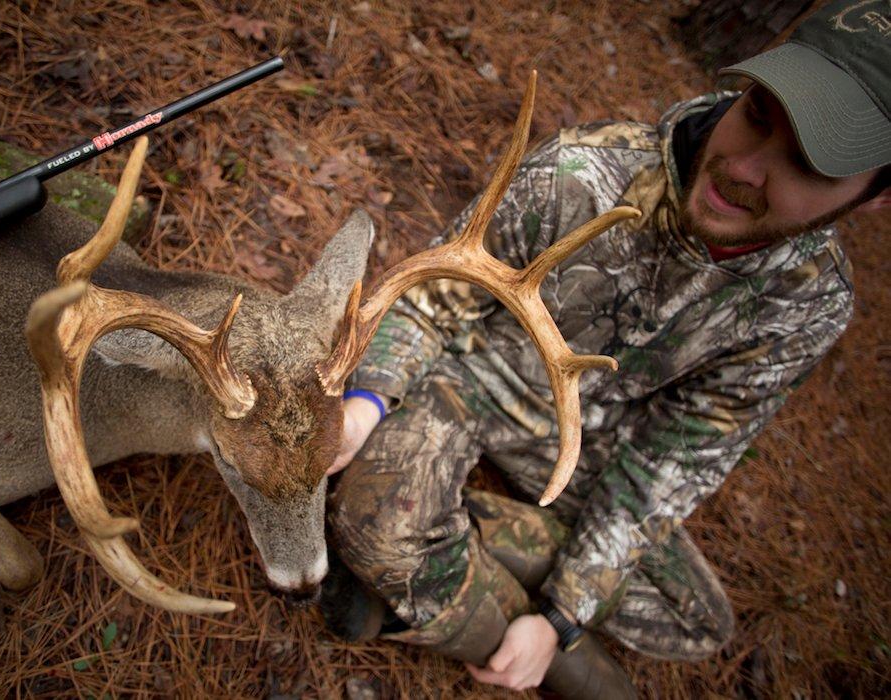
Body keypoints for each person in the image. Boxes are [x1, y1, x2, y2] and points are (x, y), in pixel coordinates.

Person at [322, 1, 890, 695]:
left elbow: (678, 459)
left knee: (694, 622)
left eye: (806, 163)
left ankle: (433, 551)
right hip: (473, 381)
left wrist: (562, 615)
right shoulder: (583, 172)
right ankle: (432, 559)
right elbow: (436, 297)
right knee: (378, 511)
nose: (742, 167)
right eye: (759, 114)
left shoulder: (809, 304)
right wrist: (367, 403)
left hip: (595, 449)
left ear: (874, 198)